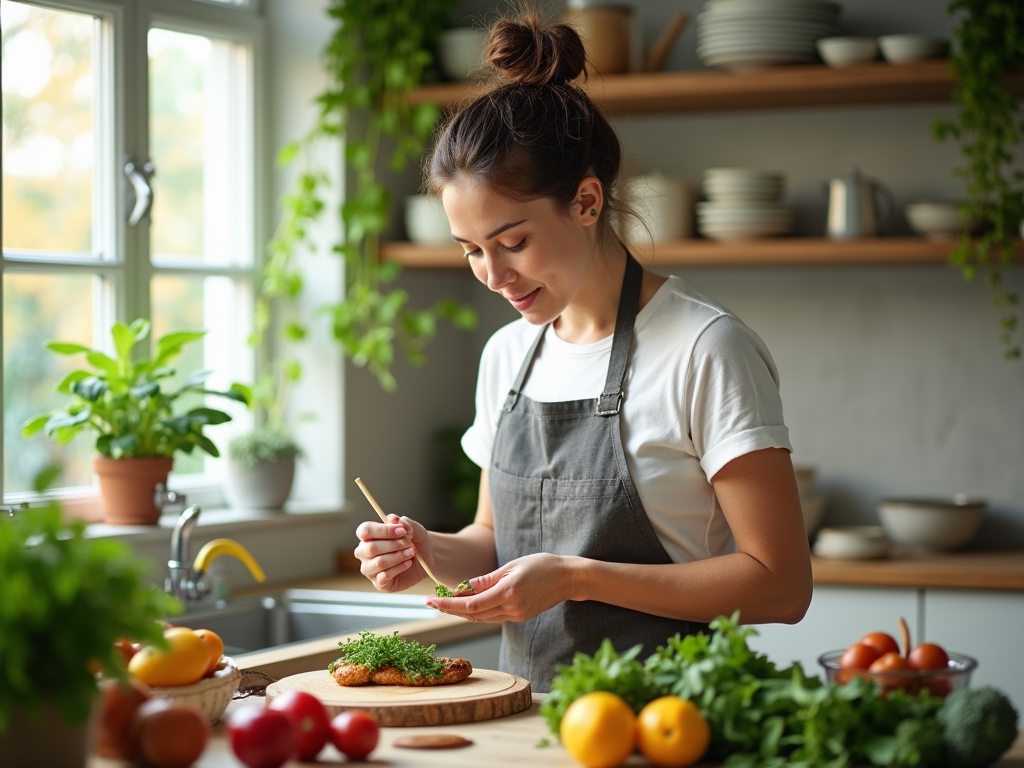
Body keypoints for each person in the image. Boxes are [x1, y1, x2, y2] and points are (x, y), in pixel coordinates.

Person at [353, 10, 813, 692]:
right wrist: (428, 548)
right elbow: (490, 542)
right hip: (532, 731)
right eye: (472, 250)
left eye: (512, 242)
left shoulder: (705, 349)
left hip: (675, 724)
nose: (493, 275)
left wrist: (574, 576)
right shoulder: (509, 357)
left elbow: (781, 585)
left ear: (588, 201)